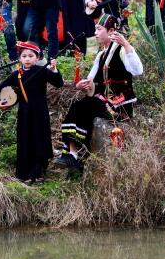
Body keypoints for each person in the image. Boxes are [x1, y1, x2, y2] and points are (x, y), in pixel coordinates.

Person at [55, 14, 143, 169]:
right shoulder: (101, 54)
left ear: (110, 31)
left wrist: (127, 45)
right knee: (78, 105)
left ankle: (74, 154)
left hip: (119, 105)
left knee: (84, 106)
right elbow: (91, 82)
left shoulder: (121, 49)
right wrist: (82, 85)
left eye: (98, 29)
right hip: (104, 101)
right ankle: (72, 154)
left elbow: (137, 70)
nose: (95, 32)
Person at [0, 42, 63, 183]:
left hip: (40, 111)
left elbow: (58, 83)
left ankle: (39, 171)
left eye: (31, 56)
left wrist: (54, 69)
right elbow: (2, 86)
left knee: (40, 139)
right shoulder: (16, 74)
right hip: (24, 112)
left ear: (37, 58)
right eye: (24, 56)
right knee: (25, 140)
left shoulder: (42, 70)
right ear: (20, 58)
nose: (27, 59)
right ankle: (25, 173)